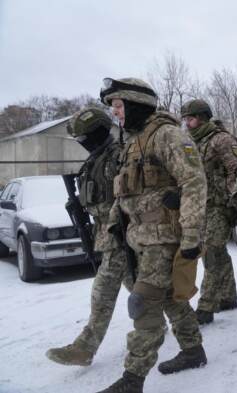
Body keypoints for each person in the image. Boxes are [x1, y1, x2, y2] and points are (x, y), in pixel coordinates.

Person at [96, 77, 207, 393]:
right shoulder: (133, 141)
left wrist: (190, 236)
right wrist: (116, 225)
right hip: (139, 236)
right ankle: (193, 350)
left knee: (144, 303)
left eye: (118, 105)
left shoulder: (167, 135)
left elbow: (194, 182)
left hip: (163, 237)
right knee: (172, 297)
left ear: (133, 104)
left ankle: (132, 380)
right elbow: (124, 193)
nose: (116, 113)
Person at [46, 107, 132, 366]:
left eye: (84, 138)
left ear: (96, 133)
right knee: (138, 285)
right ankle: (175, 320)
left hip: (121, 234)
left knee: (103, 290)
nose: (82, 144)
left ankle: (85, 348)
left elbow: (127, 198)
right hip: (106, 234)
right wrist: (79, 206)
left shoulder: (118, 156)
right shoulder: (97, 158)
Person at [180, 99, 237, 326]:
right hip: (201, 206)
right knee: (216, 252)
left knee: (211, 253)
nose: (188, 123)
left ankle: (207, 306)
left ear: (203, 117)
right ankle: (228, 296)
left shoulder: (220, 139)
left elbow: (236, 170)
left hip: (219, 205)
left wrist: (233, 201)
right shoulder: (190, 143)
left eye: (191, 118)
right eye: (185, 119)